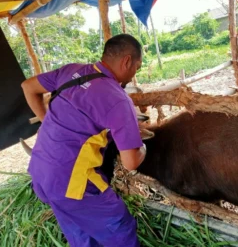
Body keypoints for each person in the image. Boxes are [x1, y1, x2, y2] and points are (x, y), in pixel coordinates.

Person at [21, 34, 146, 247]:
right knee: (120, 227)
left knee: (80, 231)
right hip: (73, 184)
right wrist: (140, 145)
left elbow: (28, 86)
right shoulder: (118, 100)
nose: (135, 73)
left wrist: (48, 121)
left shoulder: (71, 71)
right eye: (137, 67)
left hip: (41, 172)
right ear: (126, 61)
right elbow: (131, 162)